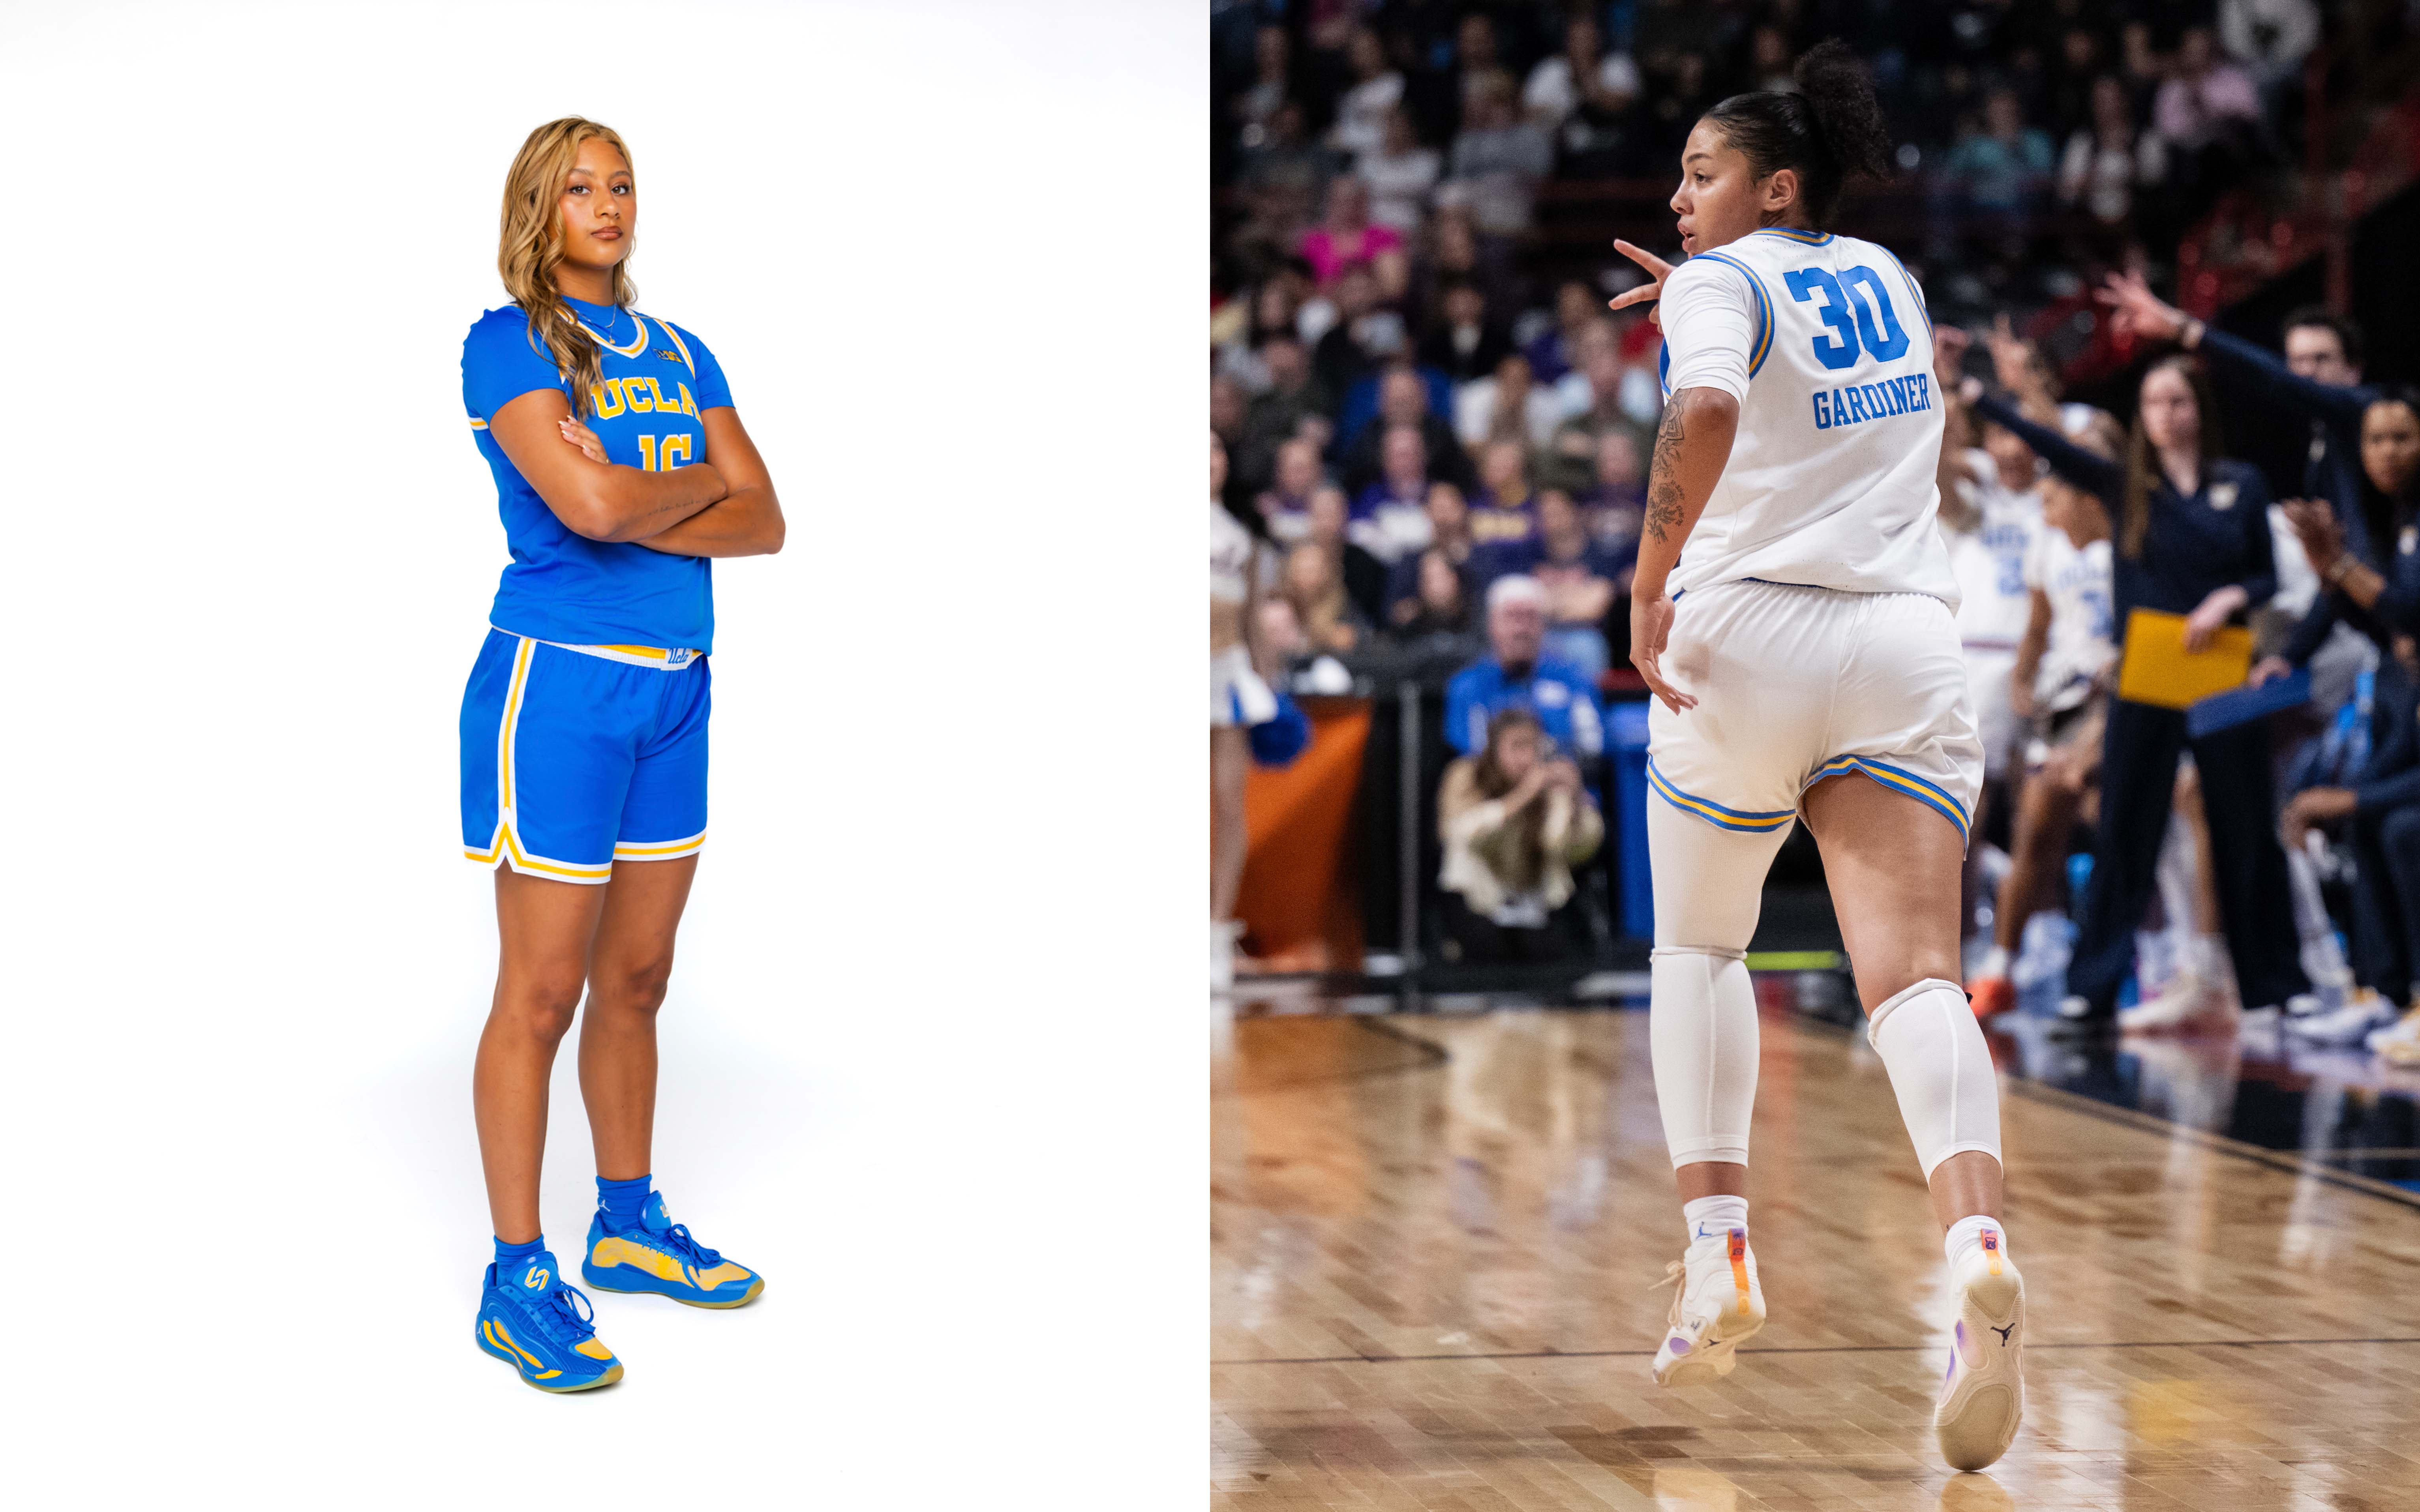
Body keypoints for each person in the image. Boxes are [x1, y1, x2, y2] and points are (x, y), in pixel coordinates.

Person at [1606, 45, 2026, 1470]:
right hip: (1902, 641)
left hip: (1749, 636)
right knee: (1913, 977)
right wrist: (1702, 291)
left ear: (1773, 185)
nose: (1675, 199)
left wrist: (1650, 573)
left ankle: (1717, 1249)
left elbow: (1709, 409)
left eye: (1701, 173)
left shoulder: (1721, 286)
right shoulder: (1890, 278)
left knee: (1703, 950)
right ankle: (1974, 1240)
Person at [460, 119, 782, 1392]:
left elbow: (767, 518)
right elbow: (584, 511)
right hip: (558, 692)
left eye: (623, 184)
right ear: (539, 209)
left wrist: (635, 490)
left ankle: (630, 1221)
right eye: (581, 186)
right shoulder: (511, 344)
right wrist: (681, 489)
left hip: (677, 691)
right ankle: (516, 1275)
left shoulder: (682, 351)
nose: (609, 203)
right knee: (541, 993)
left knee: (638, 977)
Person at [1970, 358, 2316, 1034]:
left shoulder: (2240, 484)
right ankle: (2091, 989)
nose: (2165, 413)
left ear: (2199, 409)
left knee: (2247, 828)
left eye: (2178, 400)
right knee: (2126, 829)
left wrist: (2230, 598)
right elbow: (2055, 446)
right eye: (2153, 401)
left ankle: (2279, 985)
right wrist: (1983, 393)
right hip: (2147, 673)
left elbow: (2267, 577)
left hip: (2224, 671)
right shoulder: (2130, 485)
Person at [1966, 410, 2122, 1019]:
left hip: (2125, 695)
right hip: (2066, 696)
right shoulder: (2048, 536)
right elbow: (2038, 624)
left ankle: (2158, 955)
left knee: (2117, 825)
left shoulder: (2131, 532)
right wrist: (2024, 678)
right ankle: (2001, 967)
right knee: (2035, 825)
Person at [1437, 708, 1605, 961]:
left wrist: (1574, 802)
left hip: (1537, 909)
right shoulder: (1466, 774)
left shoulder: (1551, 786)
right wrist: (1523, 796)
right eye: (1516, 747)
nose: (1526, 758)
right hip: (1478, 904)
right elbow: (1463, 834)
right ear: (1494, 750)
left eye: (1532, 747)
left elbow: (1578, 851)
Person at [1213, 432, 1274, 993]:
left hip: (1225, 678)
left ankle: (1214, 932)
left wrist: (1267, 678)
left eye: (1215, 450)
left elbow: (1254, 618)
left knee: (1230, 806)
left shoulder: (1239, 536)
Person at [1444, 575, 1604, 761]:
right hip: (1496, 788)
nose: (1521, 629)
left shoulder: (1575, 680)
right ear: (1492, 626)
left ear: (1544, 626)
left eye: (1530, 617)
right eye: (1511, 617)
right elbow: (1472, 756)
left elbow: (1594, 750)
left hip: (1563, 784)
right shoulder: (1467, 687)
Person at [1349, 423, 1437, 565]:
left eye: (1410, 454)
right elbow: (1357, 535)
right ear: (1385, 460)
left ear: (1424, 457)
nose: (1405, 463)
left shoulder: (1439, 496)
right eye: (1398, 455)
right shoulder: (1371, 497)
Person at [1305, 485, 1390, 628]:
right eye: (1321, 514)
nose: (1326, 523)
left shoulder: (1365, 565)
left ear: (1345, 516)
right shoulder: (1295, 560)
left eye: (1332, 514)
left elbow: (1368, 617)